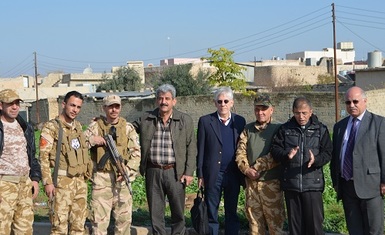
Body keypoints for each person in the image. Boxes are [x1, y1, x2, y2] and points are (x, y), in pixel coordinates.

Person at [132, 84, 196, 235]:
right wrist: (107, 122)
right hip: (153, 171)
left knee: (178, 212)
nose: (164, 102)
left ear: (174, 101)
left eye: (167, 98)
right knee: (156, 212)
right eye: (160, 98)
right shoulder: (146, 118)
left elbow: (192, 148)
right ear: (156, 101)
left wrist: (188, 172)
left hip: (175, 172)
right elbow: (126, 128)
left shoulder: (184, 120)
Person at [271, 96, 332, 235]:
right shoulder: (285, 129)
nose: (301, 116)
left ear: (311, 112)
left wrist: (315, 160)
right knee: (295, 228)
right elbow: (275, 150)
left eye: (304, 113)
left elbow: (328, 152)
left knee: (314, 227)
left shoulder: (320, 129)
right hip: (292, 185)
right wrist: (287, 155)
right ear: (293, 111)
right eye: (297, 113)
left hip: (312, 185)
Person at [331, 86, 385, 234]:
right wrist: (336, 182)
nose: (352, 105)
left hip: (371, 186)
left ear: (365, 101)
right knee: (354, 230)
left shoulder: (379, 123)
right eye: (348, 102)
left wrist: (384, 181)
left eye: (355, 101)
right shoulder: (339, 127)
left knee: (373, 230)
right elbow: (336, 156)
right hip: (347, 186)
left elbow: (384, 154)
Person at [84, 94, 141, 235]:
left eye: (117, 106)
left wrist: (127, 170)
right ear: (104, 108)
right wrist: (93, 140)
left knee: (124, 221)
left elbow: (136, 153)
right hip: (102, 179)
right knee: (99, 222)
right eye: (110, 107)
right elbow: (79, 144)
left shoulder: (128, 128)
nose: (114, 110)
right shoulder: (95, 126)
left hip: (122, 179)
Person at [39, 90, 92, 234]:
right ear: (64, 104)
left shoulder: (78, 127)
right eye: (72, 105)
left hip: (79, 183)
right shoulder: (52, 127)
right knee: (59, 227)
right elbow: (43, 157)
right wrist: (48, 182)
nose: (75, 110)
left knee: (78, 226)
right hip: (61, 183)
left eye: (78, 107)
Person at [197, 87, 246, 235]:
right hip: (213, 174)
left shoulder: (239, 121)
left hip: (233, 174)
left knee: (231, 211)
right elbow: (201, 149)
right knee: (212, 211)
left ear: (231, 103)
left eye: (226, 101)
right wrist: (200, 174)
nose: (222, 104)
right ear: (215, 103)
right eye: (219, 101)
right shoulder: (206, 121)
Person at [235, 94, 285, 235]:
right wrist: (246, 170)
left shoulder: (279, 128)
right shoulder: (248, 129)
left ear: (271, 110)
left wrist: (257, 167)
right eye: (257, 109)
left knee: (275, 225)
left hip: (272, 185)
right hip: (252, 185)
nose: (260, 112)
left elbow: (277, 154)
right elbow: (240, 152)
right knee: (255, 226)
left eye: (264, 109)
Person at [0, 89, 42, 235]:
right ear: (1, 105)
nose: (15, 107)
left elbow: (32, 156)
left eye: (17, 103)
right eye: (10, 103)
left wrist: (35, 179)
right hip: (4, 185)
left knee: (25, 230)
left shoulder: (25, 127)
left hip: (25, 185)